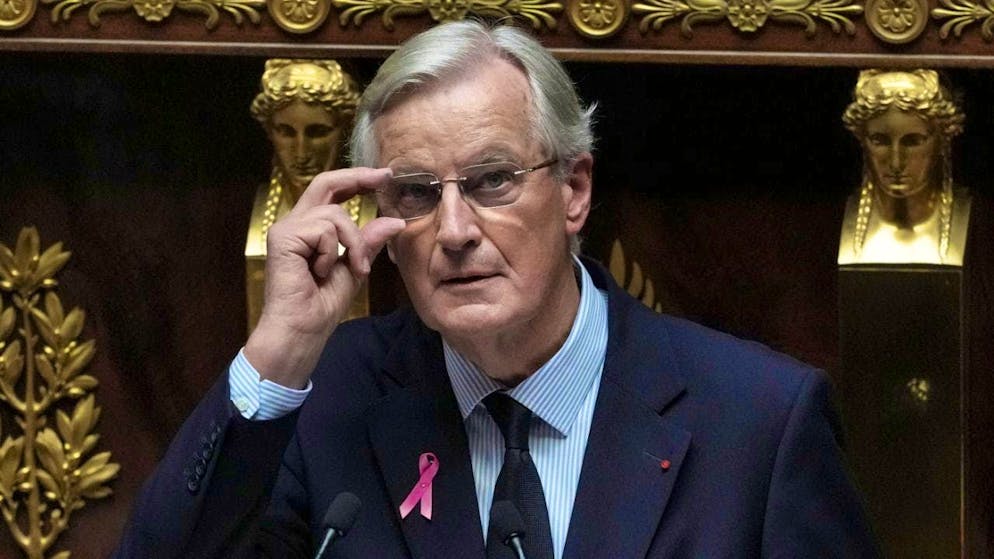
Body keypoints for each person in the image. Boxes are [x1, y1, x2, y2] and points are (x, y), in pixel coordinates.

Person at [115, 20, 879, 558]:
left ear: (574, 189)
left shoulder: (759, 423)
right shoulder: (331, 399)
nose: (453, 229)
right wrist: (278, 353)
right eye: (415, 194)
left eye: (491, 181)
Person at [245, 59, 375, 330]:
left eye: (317, 132)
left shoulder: (370, 209)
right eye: (286, 132)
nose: (301, 152)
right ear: (270, 131)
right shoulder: (262, 209)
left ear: (346, 129)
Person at [838, 69, 969, 265]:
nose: (896, 163)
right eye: (880, 141)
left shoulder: (976, 222)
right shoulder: (833, 221)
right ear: (862, 139)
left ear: (942, 140)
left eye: (913, 141)